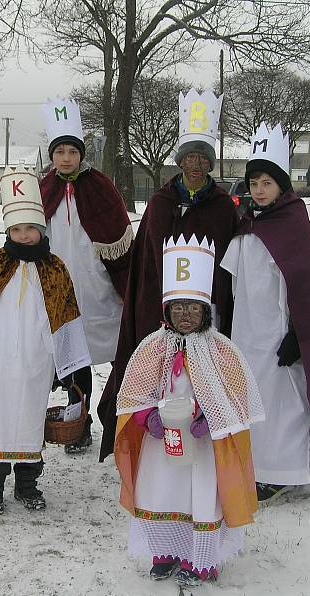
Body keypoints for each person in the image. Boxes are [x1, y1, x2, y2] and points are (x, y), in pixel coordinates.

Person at [114, 235, 264, 588]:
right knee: (160, 492)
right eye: (178, 307)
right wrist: (146, 417)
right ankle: (165, 552)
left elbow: (235, 397)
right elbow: (133, 392)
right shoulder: (152, 347)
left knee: (199, 497)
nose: (185, 315)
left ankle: (201, 559)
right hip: (160, 443)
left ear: (205, 311)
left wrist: (209, 419)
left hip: (202, 448)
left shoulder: (221, 350)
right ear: (166, 311)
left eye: (193, 308)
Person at [98, 88, 239, 462]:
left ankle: (202, 428)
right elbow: (145, 261)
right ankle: (154, 431)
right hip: (159, 311)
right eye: (190, 157)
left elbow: (227, 263)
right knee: (159, 372)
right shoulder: (160, 204)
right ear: (180, 162)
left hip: (205, 311)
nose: (196, 165)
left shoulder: (224, 208)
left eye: (203, 159)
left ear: (210, 165)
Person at [0, 166, 91, 516]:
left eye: (30, 229)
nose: (24, 235)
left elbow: (66, 317)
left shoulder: (55, 269)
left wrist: (65, 366)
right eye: (16, 229)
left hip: (36, 363)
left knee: (29, 423)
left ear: (40, 229)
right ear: (7, 230)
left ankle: (28, 484)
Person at [220, 122, 310, 502]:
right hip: (247, 330)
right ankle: (258, 466)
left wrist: (296, 334)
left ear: (282, 186)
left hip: (276, 332)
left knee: (281, 401)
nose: (259, 189)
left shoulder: (294, 224)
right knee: (252, 398)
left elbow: (303, 287)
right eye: (254, 182)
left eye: (267, 183)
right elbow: (233, 281)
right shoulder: (247, 224)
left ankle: (284, 471)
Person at [39, 98, 133, 454]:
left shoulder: (100, 186)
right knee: (75, 362)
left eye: (72, 151)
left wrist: (125, 286)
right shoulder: (43, 189)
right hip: (62, 293)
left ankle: (123, 418)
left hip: (100, 291)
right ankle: (80, 424)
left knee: (119, 355)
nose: (66, 158)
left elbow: (120, 240)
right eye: (60, 151)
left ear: (81, 154)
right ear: (52, 155)